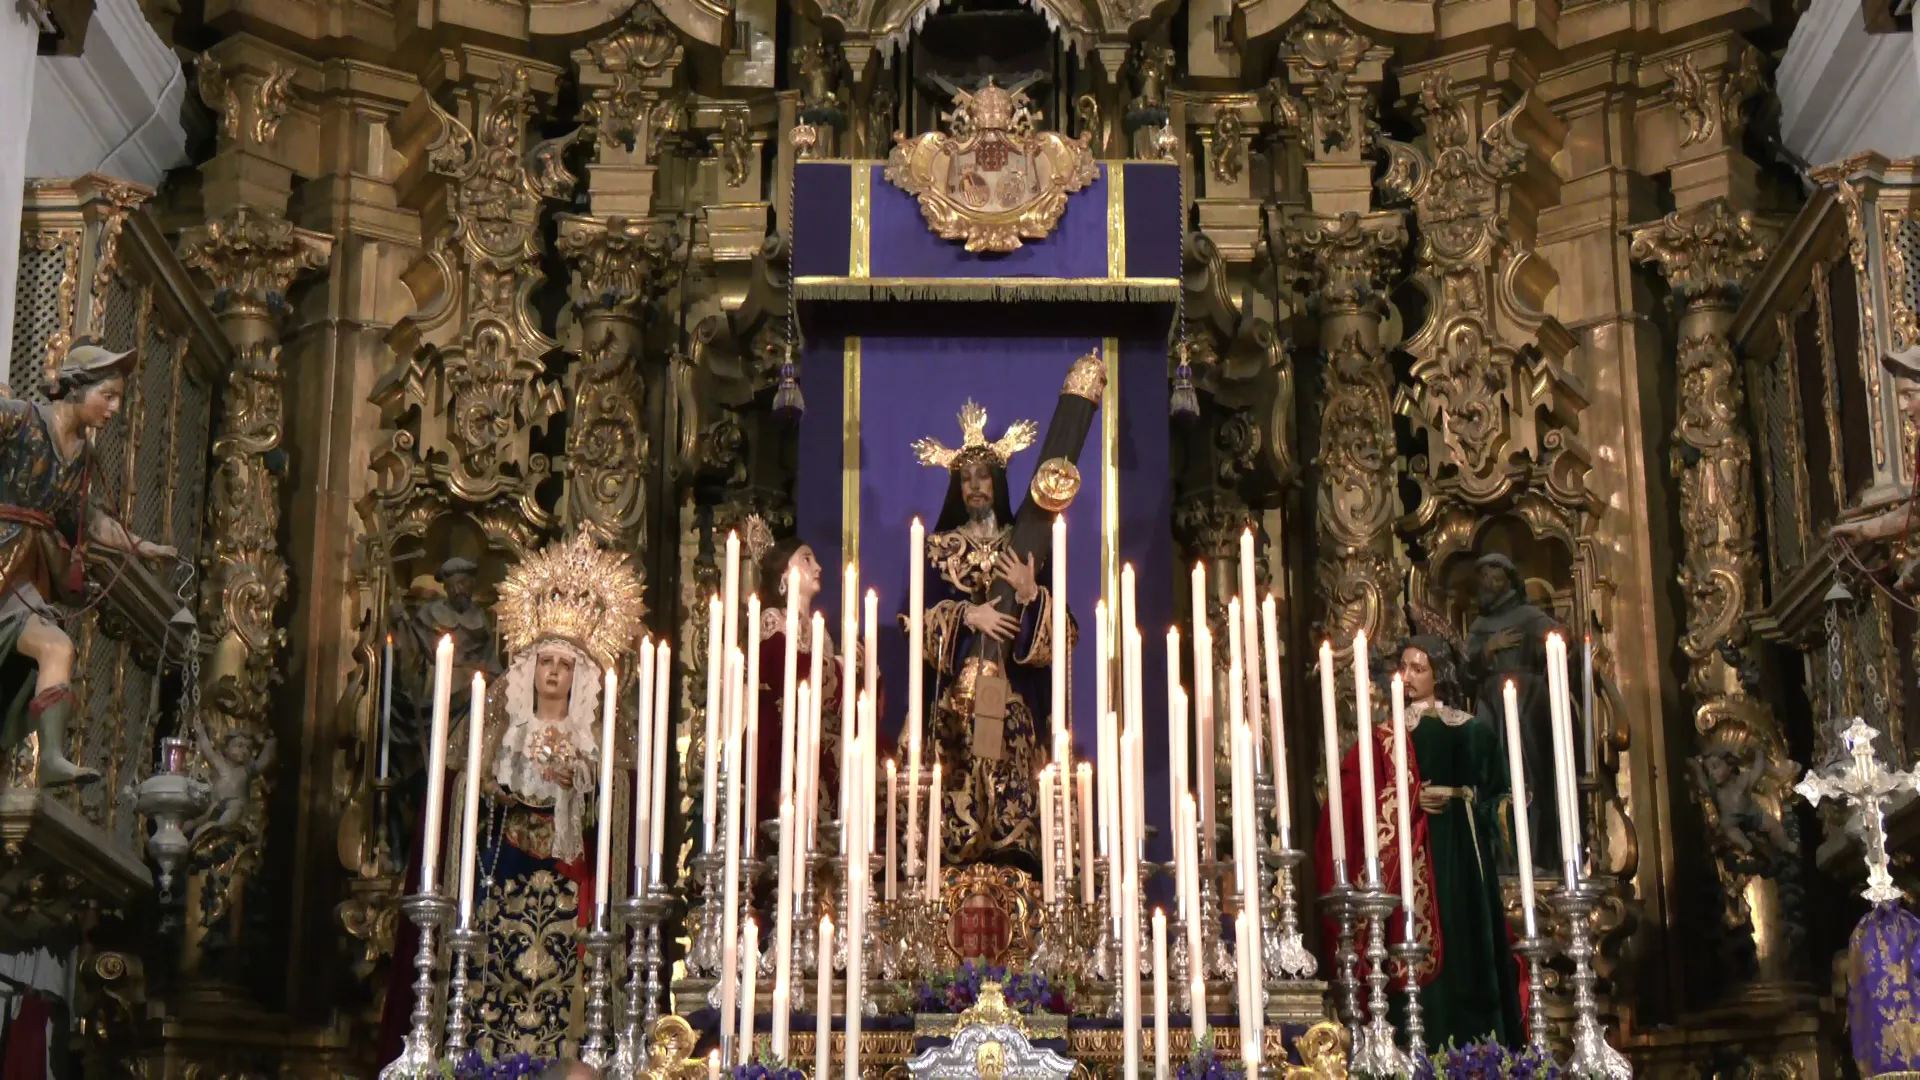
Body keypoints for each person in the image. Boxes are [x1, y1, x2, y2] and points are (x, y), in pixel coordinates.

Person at [0, 340, 177, 786]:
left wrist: (138, 544)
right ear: (77, 388)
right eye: (109, 396)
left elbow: (92, 518)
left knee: (58, 647)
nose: (115, 409)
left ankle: (53, 758)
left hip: (25, 577)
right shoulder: (20, 417)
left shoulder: (84, 457)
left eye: (119, 398)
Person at [912, 401, 1062, 869]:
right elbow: (913, 623)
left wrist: (1031, 592)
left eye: (983, 475)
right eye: (966, 477)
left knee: (1008, 798)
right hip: (957, 702)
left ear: (998, 482)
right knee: (958, 796)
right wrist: (965, 616)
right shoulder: (938, 549)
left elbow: (1065, 633)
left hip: (1011, 697)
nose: (975, 485)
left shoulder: (1027, 545)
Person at [1397, 636, 1524, 1048]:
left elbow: (1497, 792)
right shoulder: (1389, 735)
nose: (1408, 676)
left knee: (1464, 930)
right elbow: (1371, 791)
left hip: (1461, 842)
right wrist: (1412, 797)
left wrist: (1505, 811)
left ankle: (1481, 1044)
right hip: (1413, 845)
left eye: (1419, 668)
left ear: (1439, 673)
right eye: (1404, 667)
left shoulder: (1469, 730)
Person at [1462, 553, 1566, 872]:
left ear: (1509, 581)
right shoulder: (1480, 626)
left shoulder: (1528, 615)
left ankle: (1535, 853)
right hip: (1490, 704)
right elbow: (1464, 671)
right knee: (1493, 774)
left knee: (1531, 772)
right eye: (1484, 578)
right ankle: (1500, 856)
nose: (1488, 584)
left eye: (1495, 578)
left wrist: (1555, 645)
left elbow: (1559, 639)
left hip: (1528, 703)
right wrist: (1488, 650)